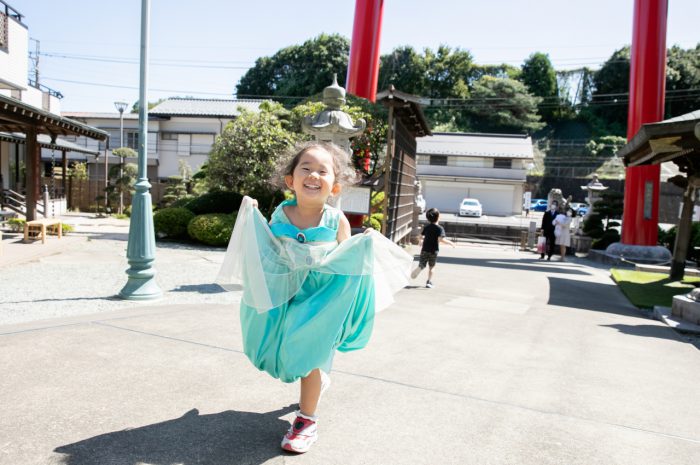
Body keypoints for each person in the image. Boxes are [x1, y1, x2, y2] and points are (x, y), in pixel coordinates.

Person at [216, 141, 412, 454]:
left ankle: (306, 420)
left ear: (335, 186)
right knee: (274, 349)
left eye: (323, 171)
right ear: (290, 180)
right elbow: (265, 250)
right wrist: (250, 214)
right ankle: (315, 384)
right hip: (286, 297)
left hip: (319, 302)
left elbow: (346, 267)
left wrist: (361, 252)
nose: (314, 175)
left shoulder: (337, 221)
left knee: (310, 359)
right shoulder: (280, 214)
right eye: (305, 168)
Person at [410, 207, 455, 288]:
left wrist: (420, 242)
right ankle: (429, 282)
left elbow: (420, 236)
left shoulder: (427, 227)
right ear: (438, 217)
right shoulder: (440, 228)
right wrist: (451, 243)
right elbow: (441, 239)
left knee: (422, 263)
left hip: (424, 249)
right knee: (432, 267)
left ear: (428, 218)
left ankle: (420, 267)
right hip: (433, 251)